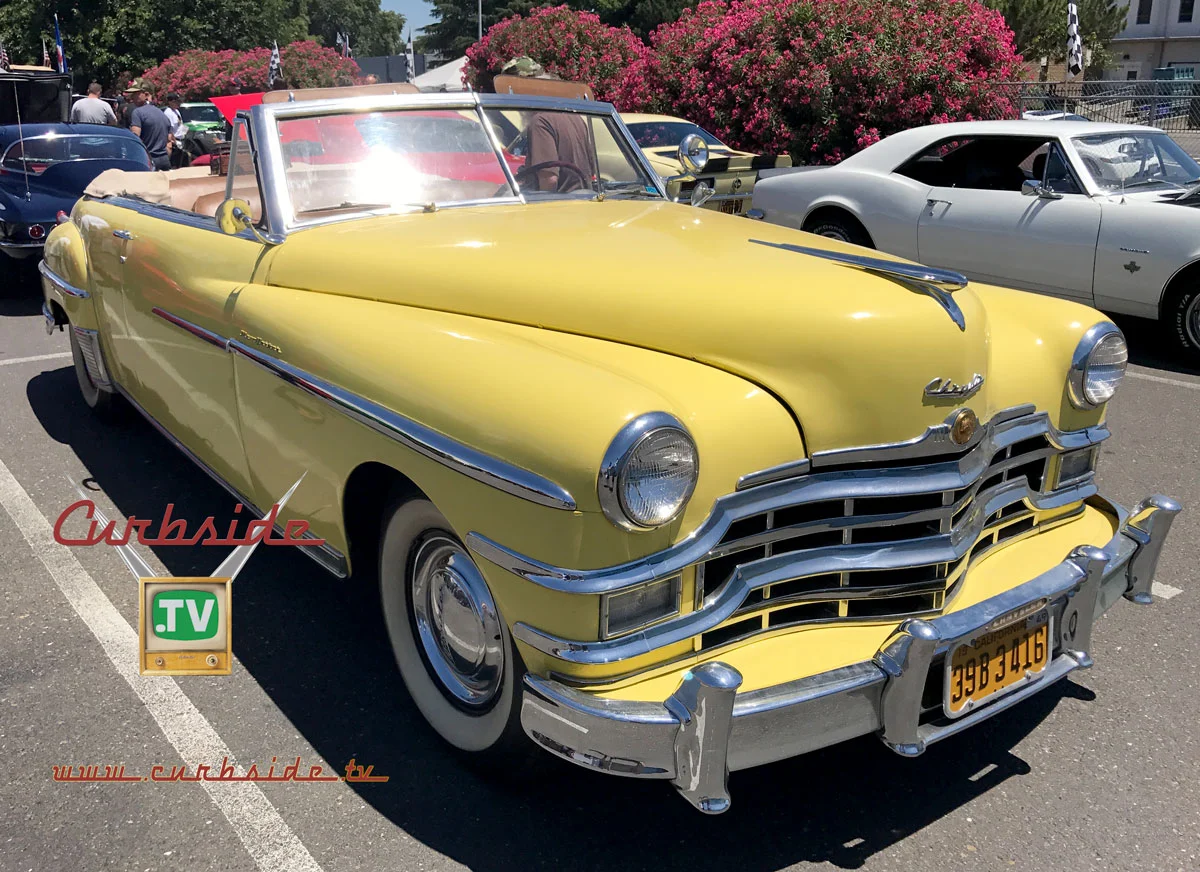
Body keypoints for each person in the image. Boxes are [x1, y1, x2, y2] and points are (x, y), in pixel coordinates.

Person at [501, 57, 598, 194]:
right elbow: (591, 170)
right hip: (584, 199)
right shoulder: (574, 116)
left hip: (561, 202)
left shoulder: (540, 121)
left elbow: (549, 180)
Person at [126, 80, 173, 170]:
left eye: (136, 94)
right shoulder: (162, 114)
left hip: (148, 160)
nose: (132, 97)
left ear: (146, 94)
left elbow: (135, 138)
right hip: (164, 160)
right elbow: (169, 143)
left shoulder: (137, 112)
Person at [162, 93, 190, 168]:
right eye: (177, 101)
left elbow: (179, 125)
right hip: (175, 141)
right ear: (171, 102)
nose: (179, 103)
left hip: (181, 140)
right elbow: (169, 129)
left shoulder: (177, 111)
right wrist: (174, 141)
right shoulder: (168, 113)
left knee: (182, 163)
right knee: (175, 164)